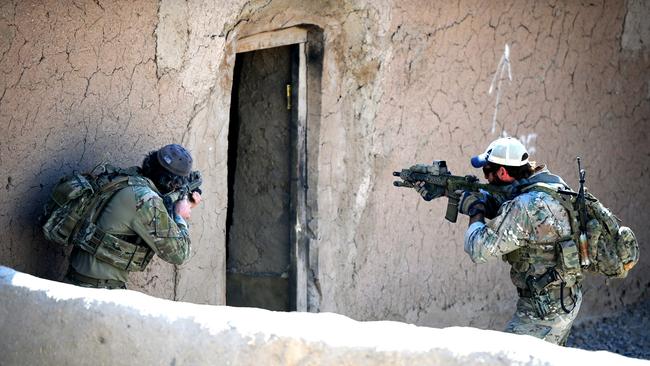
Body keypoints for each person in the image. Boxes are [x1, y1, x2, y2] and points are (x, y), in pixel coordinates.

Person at [416, 137, 582, 345]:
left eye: (487, 172)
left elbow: (479, 249)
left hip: (543, 312)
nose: (485, 178)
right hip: (565, 297)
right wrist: (447, 190)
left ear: (502, 172)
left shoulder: (526, 206)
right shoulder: (549, 187)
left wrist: (475, 211)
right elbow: (504, 203)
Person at [63, 144, 202, 289]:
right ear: (172, 184)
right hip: (97, 291)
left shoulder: (128, 180)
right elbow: (180, 253)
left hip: (77, 281)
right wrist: (180, 216)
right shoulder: (146, 199)